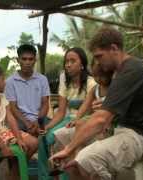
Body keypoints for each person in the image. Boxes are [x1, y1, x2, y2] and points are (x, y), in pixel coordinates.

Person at [50, 26, 143, 180]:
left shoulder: (131, 71)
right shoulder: (125, 70)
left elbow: (101, 119)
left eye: (99, 56)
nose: (97, 62)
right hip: (124, 127)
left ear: (114, 48)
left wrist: (69, 149)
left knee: (87, 158)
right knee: (62, 136)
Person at [39, 47, 96, 180]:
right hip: (66, 118)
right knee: (43, 137)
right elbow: (61, 112)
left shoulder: (91, 82)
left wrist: (76, 119)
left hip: (84, 119)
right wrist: (47, 127)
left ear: (82, 64)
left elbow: (85, 110)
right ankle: (46, 177)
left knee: (55, 137)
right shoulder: (64, 81)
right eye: (66, 61)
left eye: (72, 61)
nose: (68, 64)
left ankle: (64, 175)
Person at [54, 59, 114, 149]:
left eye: (102, 76)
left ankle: (77, 151)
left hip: (108, 120)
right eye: (95, 76)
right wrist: (76, 119)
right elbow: (84, 106)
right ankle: (76, 150)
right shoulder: (95, 89)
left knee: (86, 127)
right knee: (79, 124)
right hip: (95, 118)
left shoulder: (114, 88)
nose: (99, 79)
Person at [5, 44, 50, 137]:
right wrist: (27, 123)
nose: (27, 62)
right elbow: (13, 108)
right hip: (20, 120)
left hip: (40, 119)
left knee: (53, 132)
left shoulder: (42, 79)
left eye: (30, 59)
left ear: (35, 60)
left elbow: (45, 104)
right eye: (24, 59)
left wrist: (37, 121)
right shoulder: (10, 81)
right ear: (18, 60)